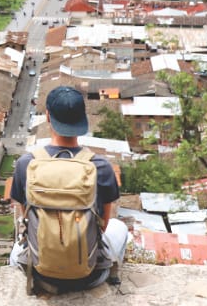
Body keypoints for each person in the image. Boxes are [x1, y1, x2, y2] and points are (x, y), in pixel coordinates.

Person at [9, 86, 128, 292]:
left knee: (13, 254)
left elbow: (26, 218)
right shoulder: (101, 166)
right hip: (90, 275)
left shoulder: (26, 164)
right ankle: (112, 281)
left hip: (39, 271)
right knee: (121, 228)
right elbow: (103, 225)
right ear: (83, 119)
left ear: (48, 116)